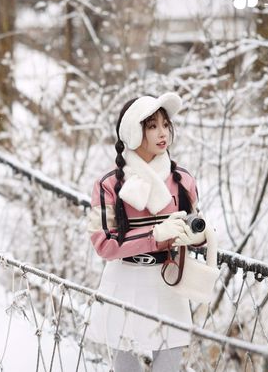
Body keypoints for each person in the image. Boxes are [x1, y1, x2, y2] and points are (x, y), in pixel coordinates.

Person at [85, 92, 209, 371]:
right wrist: (154, 236)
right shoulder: (109, 185)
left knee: (168, 365)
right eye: (152, 126)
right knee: (125, 367)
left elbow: (198, 227)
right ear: (132, 132)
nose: (162, 133)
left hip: (168, 281)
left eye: (166, 125)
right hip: (124, 280)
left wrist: (197, 236)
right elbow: (103, 244)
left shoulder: (183, 180)